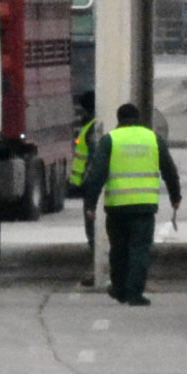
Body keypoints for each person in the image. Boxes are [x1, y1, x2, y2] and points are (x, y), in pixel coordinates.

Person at [101, 100, 175, 306]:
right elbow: (169, 170)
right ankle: (134, 293)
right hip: (144, 207)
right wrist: (175, 197)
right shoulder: (153, 139)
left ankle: (119, 289)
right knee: (139, 250)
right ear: (139, 119)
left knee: (118, 249)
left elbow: (97, 173)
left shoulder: (110, 140)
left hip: (116, 207)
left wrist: (89, 203)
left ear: (119, 119)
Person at [68, 92, 105, 263]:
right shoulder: (92, 127)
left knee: (93, 228)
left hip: (93, 186)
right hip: (94, 184)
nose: (80, 113)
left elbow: (87, 159)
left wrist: (77, 184)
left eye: (82, 109)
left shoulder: (92, 129)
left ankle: (100, 264)